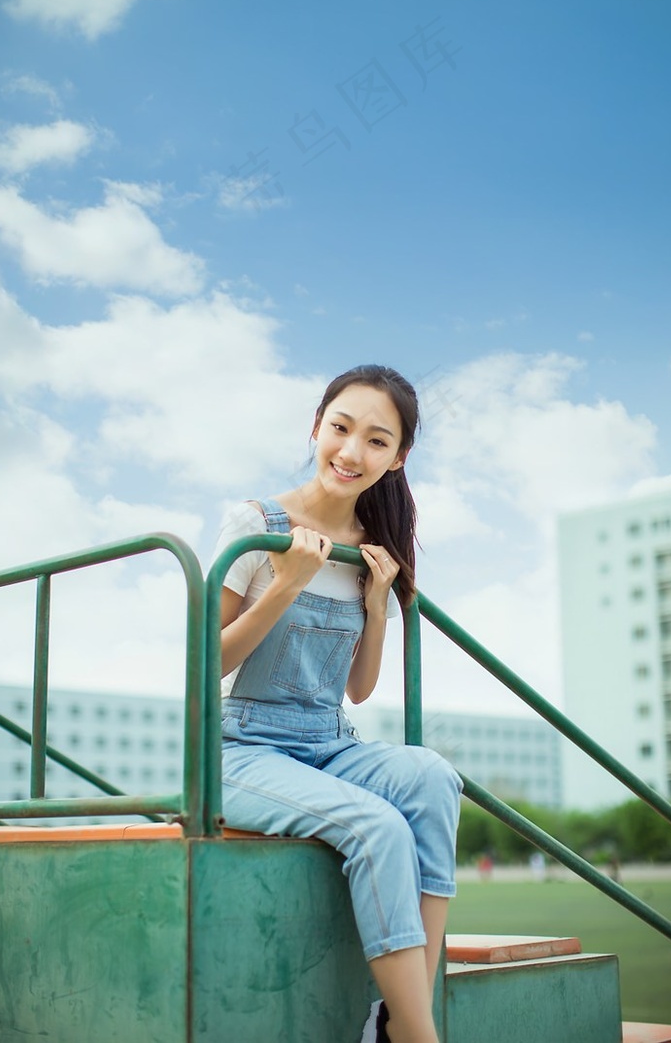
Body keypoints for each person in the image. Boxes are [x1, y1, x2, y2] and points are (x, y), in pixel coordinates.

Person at [214, 365, 462, 1043]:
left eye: (377, 441)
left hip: (327, 742)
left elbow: (357, 689)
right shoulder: (255, 525)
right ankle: (416, 1034)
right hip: (240, 748)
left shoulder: (370, 549)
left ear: (398, 457)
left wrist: (377, 608)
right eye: (340, 428)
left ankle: (398, 1016)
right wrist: (284, 585)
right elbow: (207, 666)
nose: (352, 452)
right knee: (377, 826)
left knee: (435, 778)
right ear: (317, 428)